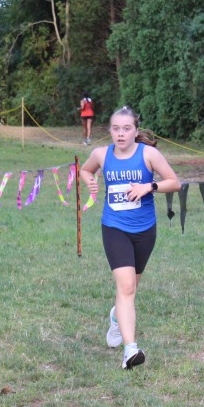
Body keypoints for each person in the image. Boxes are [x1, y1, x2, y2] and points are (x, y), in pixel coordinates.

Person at [80, 106, 180, 369]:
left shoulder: (148, 154)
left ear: (136, 130)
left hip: (145, 230)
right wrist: (89, 181)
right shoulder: (101, 154)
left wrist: (150, 186)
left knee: (131, 288)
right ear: (110, 130)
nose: (121, 133)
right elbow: (86, 170)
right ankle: (130, 351)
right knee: (125, 287)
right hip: (114, 227)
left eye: (126, 128)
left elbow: (174, 182)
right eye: (115, 128)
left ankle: (116, 318)